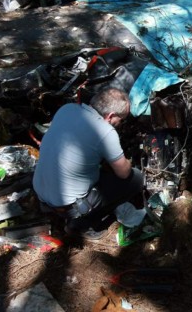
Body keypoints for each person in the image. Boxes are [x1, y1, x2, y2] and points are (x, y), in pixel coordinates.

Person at [33, 87, 144, 239]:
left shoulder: (67, 109)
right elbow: (124, 173)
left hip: (40, 193)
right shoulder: (105, 131)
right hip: (68, 206)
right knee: (136, 179)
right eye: (121, 119)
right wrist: (129, 162)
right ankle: (83, 224)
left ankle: (58, 212)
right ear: (110, 116)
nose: (121, 124)